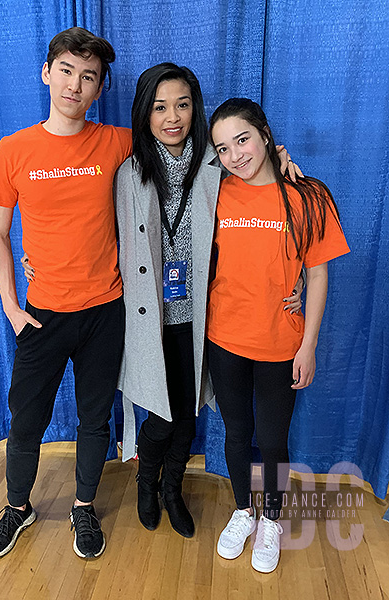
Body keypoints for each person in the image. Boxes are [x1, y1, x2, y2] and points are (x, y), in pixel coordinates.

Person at [113, 65, 303, 539]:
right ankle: (146, 483)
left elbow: (257, 180)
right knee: (159, 416)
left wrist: (282, 163)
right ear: (145, 113)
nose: (172, 117)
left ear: (194, 108)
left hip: (200, 320)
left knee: (189, 413)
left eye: (182, 105)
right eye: (160, 107)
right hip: (150, 318)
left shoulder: (215, 168)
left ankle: (173, 490)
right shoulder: (129, 172)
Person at [0, 27, 132, 560]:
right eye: (66, 71)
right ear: (47, 73)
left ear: (99, 88)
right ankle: (17, 509)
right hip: (41, 316)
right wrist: (11, 308)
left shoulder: (117, 142)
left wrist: (273, 155)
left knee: (95, 419)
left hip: (104, 313)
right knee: (25, 420)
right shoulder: (14, 149)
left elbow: (185, 158)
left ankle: (83, 509)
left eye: (88, 77)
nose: (75, 84)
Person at [207, 98, 350, 572]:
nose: (235, 156)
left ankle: (271, 518)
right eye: (222, 148)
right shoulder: (216, 192)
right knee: (236, 432)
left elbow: (319, 273)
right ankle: (242, 511)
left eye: (242, 140)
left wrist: (307, 343)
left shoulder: (307, 196)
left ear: (265, 135)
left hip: (278, 343)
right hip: (224, 339)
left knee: (271, 438)